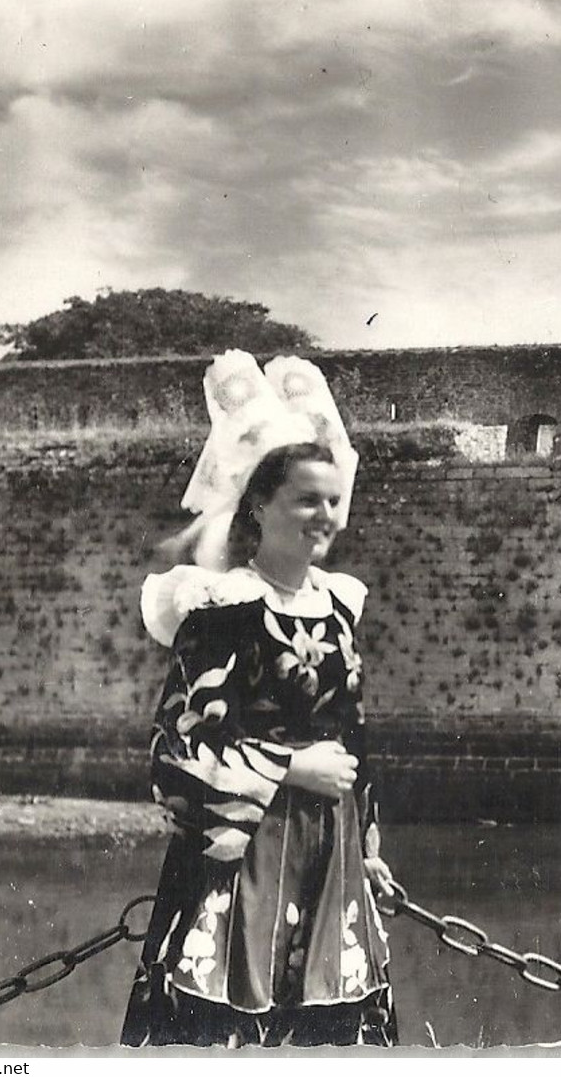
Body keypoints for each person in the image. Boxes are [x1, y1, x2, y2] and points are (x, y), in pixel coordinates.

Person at [122, 353, 397, 1047]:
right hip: (243, 857)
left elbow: (354, 740)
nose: (324, 516)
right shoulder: (222, 611)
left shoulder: (338, 608)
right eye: (307, 499)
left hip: (330, 860)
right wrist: (290, 769)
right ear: (259, 505)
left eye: (332, 500)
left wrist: (367, 848)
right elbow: (175, 751)